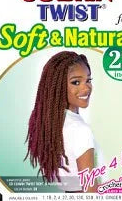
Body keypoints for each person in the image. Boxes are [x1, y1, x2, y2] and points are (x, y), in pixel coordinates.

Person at [25, 51, 103, 191]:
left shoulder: (52, 123)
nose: (86, 88)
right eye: (76, 82)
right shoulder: (79, 130)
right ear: (58, 86)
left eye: (88, 80)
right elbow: (90, 192)